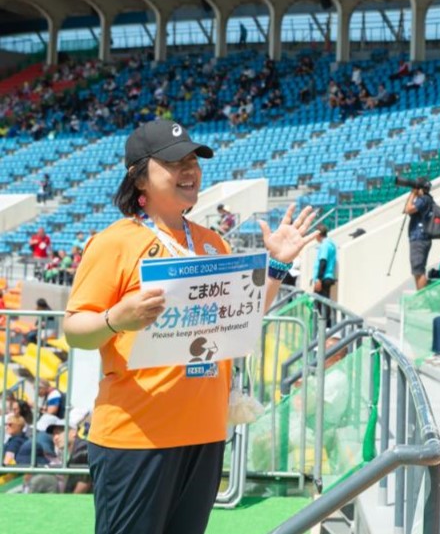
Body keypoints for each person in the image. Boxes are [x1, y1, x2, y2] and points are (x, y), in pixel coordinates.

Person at [63, 118, 317, 534]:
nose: (189, 170)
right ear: (139, 178)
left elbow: (241, 317)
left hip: (204, 431)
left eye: (193, 160)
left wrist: (278, 266)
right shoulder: (114, 242)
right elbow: (75, 329)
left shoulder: (212, 242)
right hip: (136, 436)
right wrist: (115, 319)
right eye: (173, 162)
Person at [404, 185, 434, 291]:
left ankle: (422, 297)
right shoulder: (424, 199)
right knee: (417, 271)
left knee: (419, 271)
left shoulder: (424, 199)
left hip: (419, 238)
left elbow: (408, 209)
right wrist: (413, 195)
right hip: (419, 238)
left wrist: (412, 194)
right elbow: (405, 209)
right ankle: (421, 294)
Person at [311, 224, 337, 299]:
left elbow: (323, 262)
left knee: (320, 305)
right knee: (323, 304)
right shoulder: (329, 244)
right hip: (326, 277)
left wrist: (319, 280)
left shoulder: (325, 245)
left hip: (323, 278)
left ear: (318, 234)